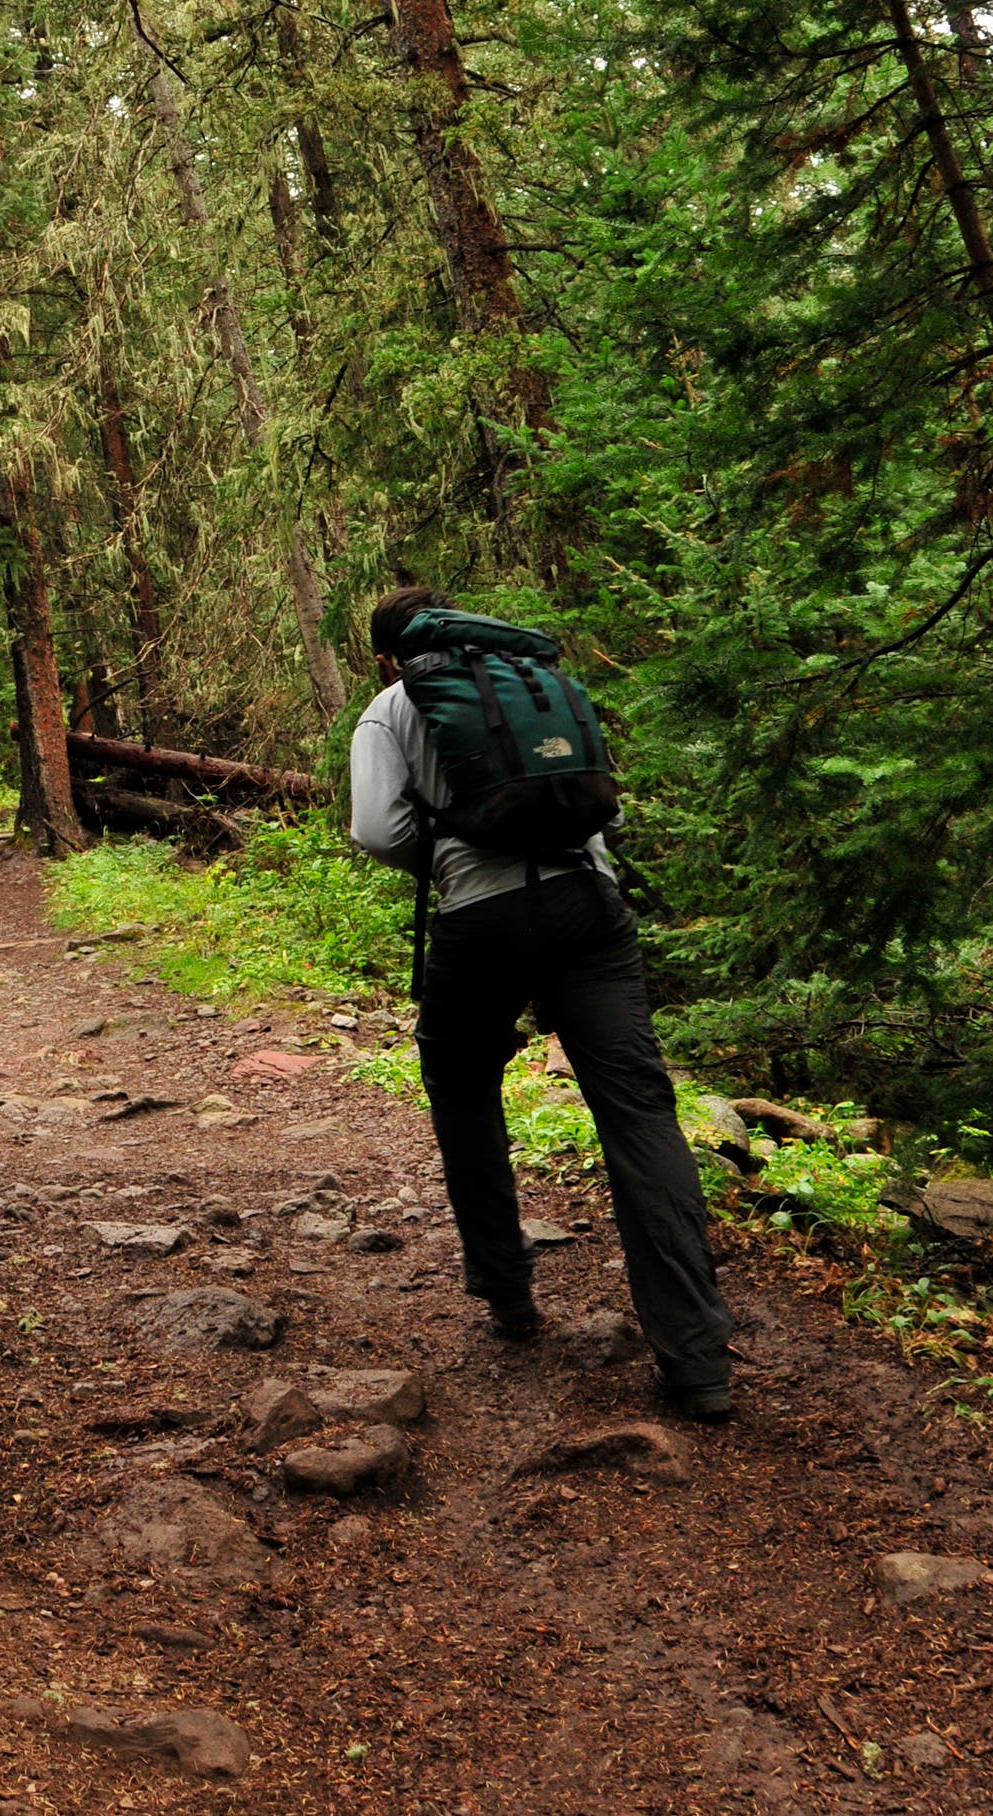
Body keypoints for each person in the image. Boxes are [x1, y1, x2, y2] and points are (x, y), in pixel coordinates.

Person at [349, 583, 735, 1421]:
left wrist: (454, 857)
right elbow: (608, 806)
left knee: (461, 1083)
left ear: (388, 655)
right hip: (590, 911)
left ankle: (506, 1292)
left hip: (480, 920)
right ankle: (697, 1360)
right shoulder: (531, 681)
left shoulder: (393, 703)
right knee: (639, 1113)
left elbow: (377, 830)